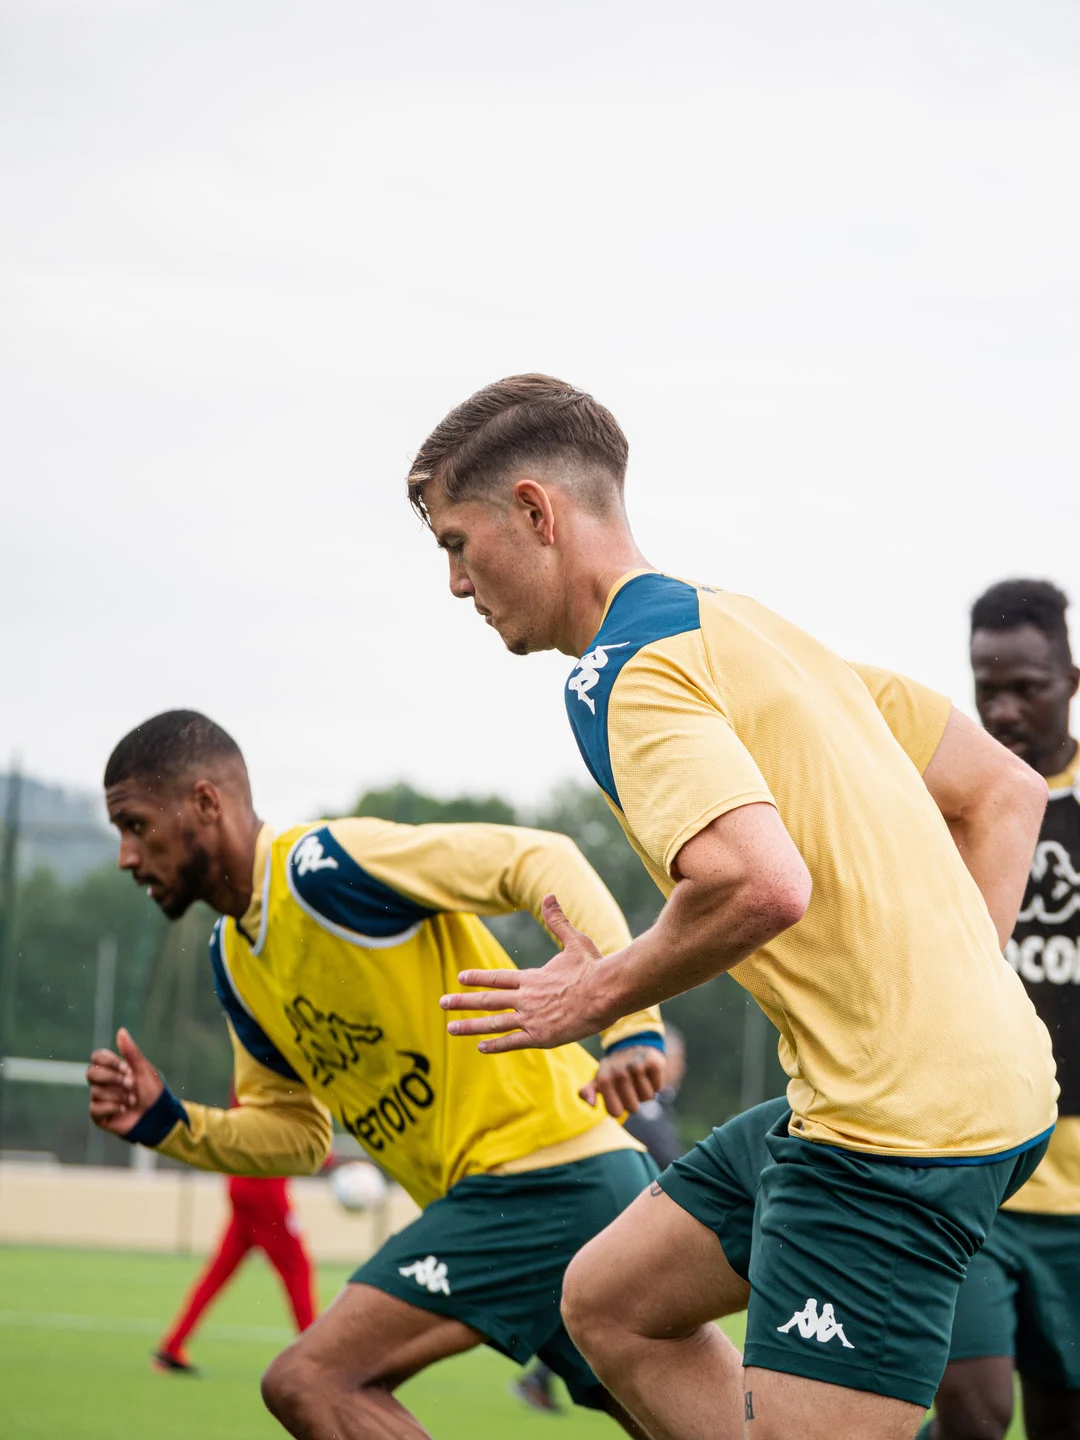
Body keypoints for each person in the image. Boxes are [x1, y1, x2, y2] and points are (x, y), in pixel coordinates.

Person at [406, 374, 1059, 1440]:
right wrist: (952, 999)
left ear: (536, 513)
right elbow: (1006, 790)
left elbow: (759, 882)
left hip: (894, 1135)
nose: (453, 581)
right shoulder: (754, 630)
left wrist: (603, 992)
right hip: (959, 1086)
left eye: (455, 541)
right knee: (609, 1303)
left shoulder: (629, 671)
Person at [86, 710, 664, 1438]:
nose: (125, 857)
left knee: (311, 1379)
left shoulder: (324, 867)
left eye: (135, 826)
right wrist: (172, 1122)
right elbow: (296, 1134)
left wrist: (629, 1019)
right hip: (557, 1188)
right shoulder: (233, 961)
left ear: (206, 803)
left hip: (543, 1176)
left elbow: (539, 859)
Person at [923, 580, 1080, 1440]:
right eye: (989, 688)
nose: (1007, 707)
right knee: (973, 1407)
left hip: (1078, 1196)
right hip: (974, 1170)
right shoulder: (950, 807)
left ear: (1073, 679)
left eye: (1029, 686)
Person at [515, 1027, 688, 1414]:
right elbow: (667, 1161)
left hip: (624, 1211)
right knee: (619, 1303)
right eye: (678, 1059)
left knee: (603, 1302)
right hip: (625, 1213)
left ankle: (545, 1379)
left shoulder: (656, 1104)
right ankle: (625, 1390)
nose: (681, 1067)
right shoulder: (644, 1102)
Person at [154, 1166, 316, 1374]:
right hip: (266, 1191)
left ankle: (172, 1345)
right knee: (298, 1270)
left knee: (216, 1275)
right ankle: (314, 1356)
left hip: (239, 1185)